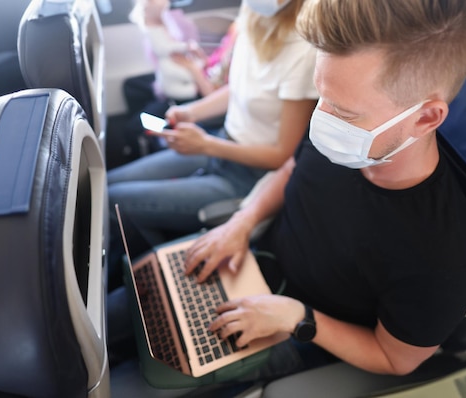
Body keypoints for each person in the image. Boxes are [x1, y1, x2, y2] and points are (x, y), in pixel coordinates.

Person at [183, 0, 466, 381]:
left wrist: (299, 317)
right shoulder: (342, 134)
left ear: (425, 117)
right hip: (247, 261)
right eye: (320, 96)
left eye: (344, 113)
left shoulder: (443, 257)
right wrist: (242, 223)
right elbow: (292, 168)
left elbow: (395, 359)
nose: (321, 118)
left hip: (296, 335)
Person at [107, 0, 318, 288]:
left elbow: (283, 155)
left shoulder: (304, 51)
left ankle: (140, 279)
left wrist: (206, 145)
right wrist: (193, 111)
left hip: (246, 174)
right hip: (223, 142)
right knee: (104, 184)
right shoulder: (253, 16)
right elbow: (240, 88)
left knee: (111, 201)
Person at [120, 0, 238, 160]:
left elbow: (213, 93)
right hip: (199, 72)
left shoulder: (239, 56)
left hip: (196, 87)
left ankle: (143, 149)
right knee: (131, 86)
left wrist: (193, 69)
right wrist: (200, 59)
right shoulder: (236, 28)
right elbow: (213, 62)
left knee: (134, 126)